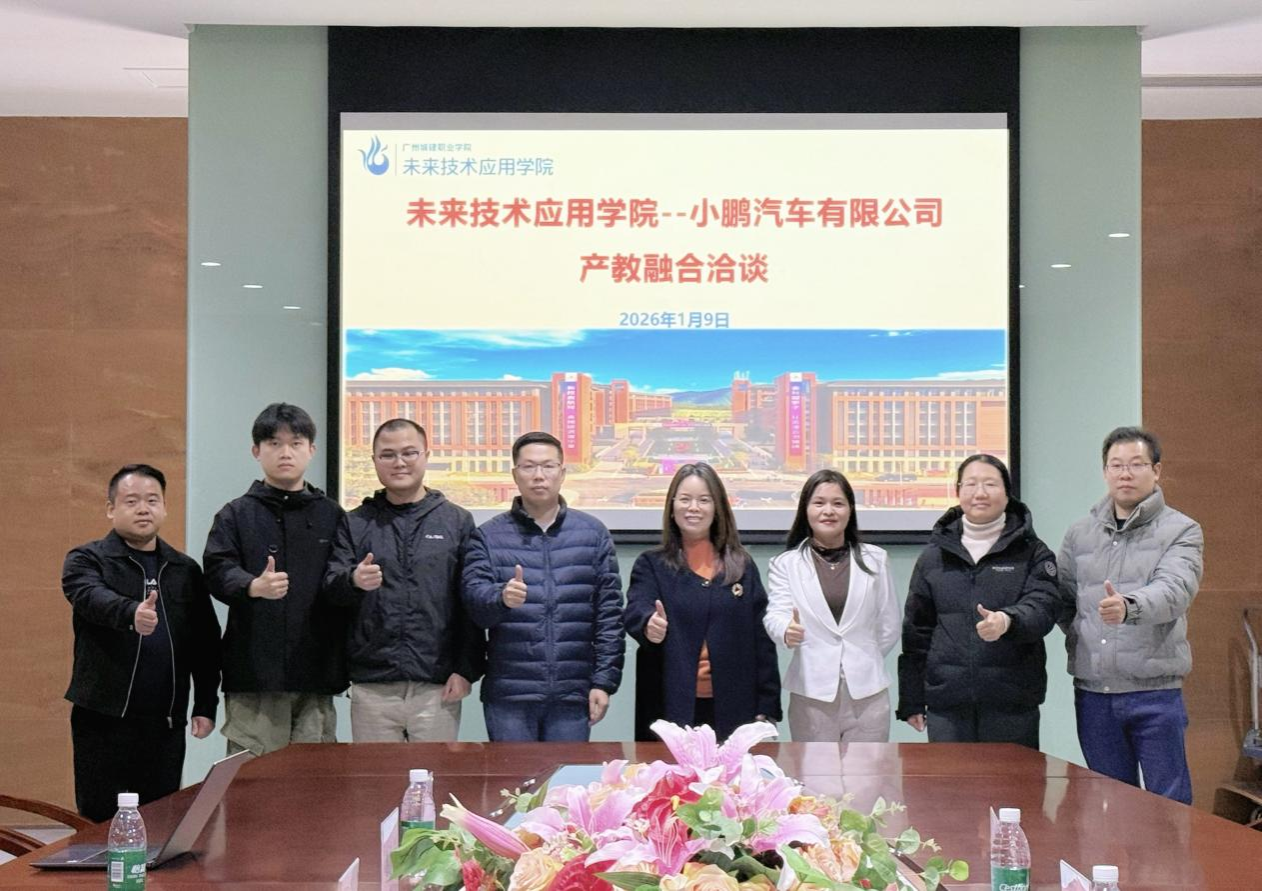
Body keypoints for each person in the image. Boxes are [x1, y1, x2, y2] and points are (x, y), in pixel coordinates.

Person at [61, 464, 221, 822]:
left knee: (161, 818)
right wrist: (130, 612)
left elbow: (206, 644)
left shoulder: (184, 569)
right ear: (111, 509)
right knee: (101, 820)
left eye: (152, 500)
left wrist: (205, 703)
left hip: (165, 722)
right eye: (131, 501)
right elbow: (89, 596)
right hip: (103, 718)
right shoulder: (87, 559)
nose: (143, 509)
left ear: (164, 507)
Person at [1058, 427, 1203, 804]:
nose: (1125, 474)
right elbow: (1064, 600)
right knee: (1107, 805)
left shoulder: (1182, 530)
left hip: (1155, 693)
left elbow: (1175, 590)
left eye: (1136, 464)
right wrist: (1084, 632)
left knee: (1168, 804)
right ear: (1105, 471)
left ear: (1156, 471)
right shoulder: (1079, 534)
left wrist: (1129, 607)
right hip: (1094, 694)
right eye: (1116, 465)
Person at [323, 418, 484, 741]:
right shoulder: (356, 522)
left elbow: (468, 601)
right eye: (388, 455)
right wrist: (353, 580)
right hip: (372, 684)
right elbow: (330, 588)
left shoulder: (456, 521)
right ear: (374, 461)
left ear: (426, 455)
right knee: (376, 775)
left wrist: (465, 669)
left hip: (437, 683)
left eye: (409, 453)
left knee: (434, 773)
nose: (399, 462)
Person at [202, 403, 347, 755]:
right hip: (255, 675)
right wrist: (251, 585)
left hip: (316, 673)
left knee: (314, 775)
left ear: (311, 450)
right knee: (252, 777)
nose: (286, 453)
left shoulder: (331, 514)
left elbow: (341, 580)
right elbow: (217, 568)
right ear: (257, 451)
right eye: (274, 444)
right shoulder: (236, 514)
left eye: (296, 443)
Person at [461, 431, 624, 741]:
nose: (539, 475)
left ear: (562, 472)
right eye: (529, 467)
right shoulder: (488, 536)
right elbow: (473, 606)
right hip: (509, 696)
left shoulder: (592, 534)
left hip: (572, 693)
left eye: (548, 466)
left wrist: (603, 682)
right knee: (512, 774)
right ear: (515, 474)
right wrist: (501, 598)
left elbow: (609, 617)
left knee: (567, 774)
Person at [896, 455, 1060, 749]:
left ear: (1007, 493)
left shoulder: (1033, 553)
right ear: (958, 491)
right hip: (947, 704)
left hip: (1011, 701)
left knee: (1011, 780)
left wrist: (1008, 621)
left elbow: (1044, 607)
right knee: (950, 780)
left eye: (990, 484)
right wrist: (911, 699)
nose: (980, 493)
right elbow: (916, 632)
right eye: (971, 484)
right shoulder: (933, 557)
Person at [623, 462, 781, 741]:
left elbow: (762, 640)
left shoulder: (741, 565)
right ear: (672, 506)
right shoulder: (652, 564)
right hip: (670, 706)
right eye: (685, 499)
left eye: (704, 500)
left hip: (734, 707)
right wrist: (649, 624)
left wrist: (767, 705)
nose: (693, 508)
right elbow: (637, 608)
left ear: (717, 508)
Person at [764, 469, 900, 742]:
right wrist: (786, 630)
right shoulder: (785, 564)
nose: (829, 511)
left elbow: (889, 624)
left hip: (868, 693)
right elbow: (776, 613)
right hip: (811, 692)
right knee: (814, 770)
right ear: (805, 510)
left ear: (850, 510)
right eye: (819, 503)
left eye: (838, 503)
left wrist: (861, 656)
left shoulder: (875, 559)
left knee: (869, 769)